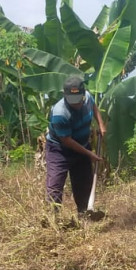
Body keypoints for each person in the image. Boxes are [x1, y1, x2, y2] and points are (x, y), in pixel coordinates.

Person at [45, 76, 106, 214]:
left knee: (84, 183)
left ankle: (84, 213)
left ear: (83, 95)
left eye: (78, 100)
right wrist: (89, 153)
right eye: (72, 101)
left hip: (82, 145)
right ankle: (52, 217)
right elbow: (67, 140)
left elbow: (94, 106)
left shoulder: (88, 97)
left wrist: (101, 124)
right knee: (55, 184)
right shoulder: (60, 113)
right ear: (65, 96)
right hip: (59, 150)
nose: (76, 104)